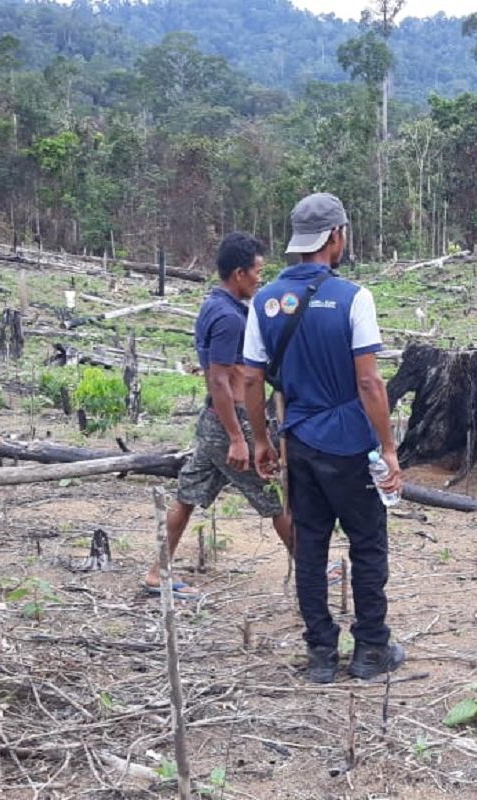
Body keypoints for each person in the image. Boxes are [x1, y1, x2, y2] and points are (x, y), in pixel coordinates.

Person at [243, 192, 404, 683]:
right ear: (335, 236)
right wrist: (390, 447)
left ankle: (320, 653)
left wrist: (261, 441)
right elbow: (370, 382)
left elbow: (250, 379)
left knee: (310, 544)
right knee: (368, 543)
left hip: (300, 441)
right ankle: (370, 649)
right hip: (351, 442)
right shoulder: (354, 297)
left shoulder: (264, 300)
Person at [142, 233, 292, 598]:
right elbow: (220, 379)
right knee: (274, 495)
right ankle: (312, 567)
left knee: (187, 494)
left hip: (215, 421)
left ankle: (156, 572)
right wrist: (241, 438)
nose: (261, 278)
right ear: (239, 273)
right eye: (257, 271)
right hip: (230, 422)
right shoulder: (228, 318)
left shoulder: (218, 306)